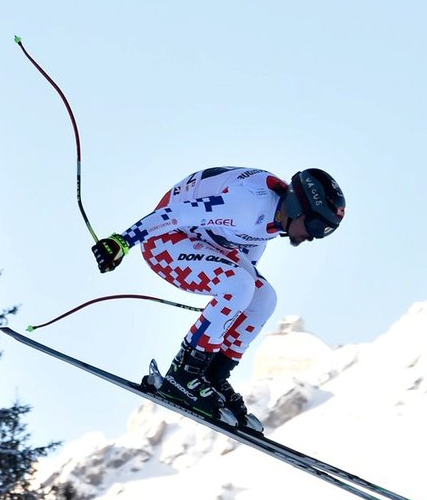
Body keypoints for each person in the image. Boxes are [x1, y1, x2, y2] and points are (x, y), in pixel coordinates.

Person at [91, 167, 345, 431]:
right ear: (297, 207)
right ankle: (183, 374)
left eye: (324, 232)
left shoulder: (275, 219)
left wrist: (232, 305)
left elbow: (248, 255)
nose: (313, 237)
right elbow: (175, 214)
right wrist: (122, 242)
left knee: (263, 298)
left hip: (202, 241)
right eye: (315, 226)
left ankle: (212, 373)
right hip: (163, 240)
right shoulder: (246, 204)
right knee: (240, 286)